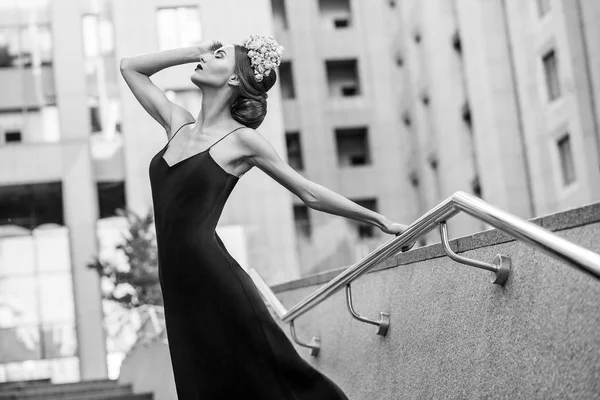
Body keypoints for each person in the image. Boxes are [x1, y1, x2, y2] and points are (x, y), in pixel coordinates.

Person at [120, 34, 413, 399]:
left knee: (269, 371)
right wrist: (193, 51)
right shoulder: (176, 124)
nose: (206, 58)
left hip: (215, 277)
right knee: (201, 382)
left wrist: (379, 221)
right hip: (177, 283)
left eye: (217, 55)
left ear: (233, 79)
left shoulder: (242, 141)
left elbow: (308, 192)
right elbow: (129, 67)